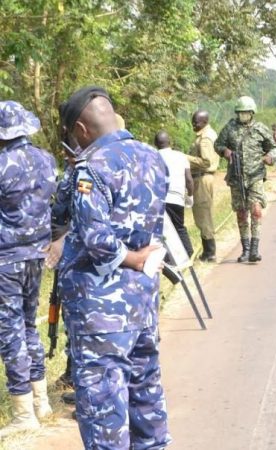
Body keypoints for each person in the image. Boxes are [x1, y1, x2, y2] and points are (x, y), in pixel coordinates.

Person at [57, 86, 171, 449]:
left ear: (81, 129)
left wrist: (132, 258)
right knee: (145, 396)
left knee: (104, 410)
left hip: (100, 310)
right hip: (142, 301)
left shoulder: (91, 169)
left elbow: (96, 240)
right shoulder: (153, 157)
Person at [0, 101, 57, 437]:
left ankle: (23, 413)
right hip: (37, 255)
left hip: (6, 258)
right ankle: (41, 400)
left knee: (9, 330)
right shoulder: (45, 160)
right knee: (27, 324)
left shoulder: (2, 165)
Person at [214, 96, 276, 264]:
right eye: (241, 113)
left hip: (255, 175)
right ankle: (246, 249)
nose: (243, 116)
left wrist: (270, 156)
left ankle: (255, 249)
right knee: (242, 213)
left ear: (252, 113)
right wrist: (225, 151)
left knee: (256, 210)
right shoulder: (230, 128)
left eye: (246, 113)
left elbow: (274, 147)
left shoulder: (260, 129)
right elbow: (217, 144)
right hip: (236, 178)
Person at [155, 130, 194, 256]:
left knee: (162, 230)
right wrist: (190, 196)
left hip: (160, 199)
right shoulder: (181, 156)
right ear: (170, 142)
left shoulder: (153, 156)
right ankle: (188, 252)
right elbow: (189, 179)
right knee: (179, 227)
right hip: (177, 198)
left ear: (155, 143)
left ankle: (167, 258)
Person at [187, 110, 219, 262]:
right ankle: (208, 250)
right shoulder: (208, 134)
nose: (194, 125)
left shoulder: (205, 139)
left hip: (202, 178)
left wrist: (186, 158)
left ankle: (209, 252)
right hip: (204, 178)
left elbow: (206, 162)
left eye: (196, 122)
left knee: (203, 214)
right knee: (203, 213)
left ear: (204, 122)